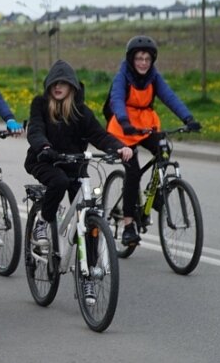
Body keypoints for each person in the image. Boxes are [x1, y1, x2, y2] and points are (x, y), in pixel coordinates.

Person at [25, 59, 133, 302]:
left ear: (72, 86)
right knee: (59, 182)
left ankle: (88, 278)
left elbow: (99, 135)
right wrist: (43, 146)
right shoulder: (40, 104)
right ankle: (43, 220)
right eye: (54, 83)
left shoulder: (81, 112)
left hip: (75, 166)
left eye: (63, 83)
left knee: (90, 214)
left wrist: (119, 147)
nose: (58, 87)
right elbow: (35, 130)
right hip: (45, 161)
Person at [105, 36, 201, 246]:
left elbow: (170, 97)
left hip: (147, 126)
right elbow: (117, 100)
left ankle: (157, 192)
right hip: (124, 128)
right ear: (132, 59)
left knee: (164, 148)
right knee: (132, 172)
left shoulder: (154, 77)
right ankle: (129, 224)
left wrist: (188, 118)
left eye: (147, 59)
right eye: (139, 58)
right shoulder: (123, 76)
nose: (143, 63)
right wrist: (124, 121)